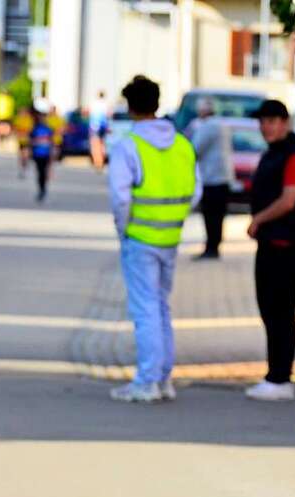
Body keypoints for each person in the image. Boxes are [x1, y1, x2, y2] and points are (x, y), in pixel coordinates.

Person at [107, 75, 200, 403]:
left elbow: (120, 199)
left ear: (130, 107)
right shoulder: (182, 145)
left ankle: (146, 381)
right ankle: (162, 380)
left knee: (145, 309)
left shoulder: (128, 146)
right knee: (161, 307)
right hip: (170, 238)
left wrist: (124, 229)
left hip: (140, 238)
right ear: (157, 104)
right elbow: (196, 190)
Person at [244, 99, 295, 402]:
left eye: (273, 121)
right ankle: (274, 375)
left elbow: (289, 200)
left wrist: (258, 219)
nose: (266, 126)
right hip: (272, 242)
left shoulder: (293, 156)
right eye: (263, 121)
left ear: (285, 123)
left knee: (281, 311)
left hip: (286, 244)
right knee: (270, 308)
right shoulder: (275, 153)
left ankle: (280, 378)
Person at [187, 98, 234, 259]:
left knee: (210, 216)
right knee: (219, 216)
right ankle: (214, 246)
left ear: (203, 111)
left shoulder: (207, 127)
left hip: (212, 178)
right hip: (224, 177)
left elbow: (195, 149)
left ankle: (211, 249)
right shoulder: (223, 124)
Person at [29, 109, 57, 203]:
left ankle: (43, 189)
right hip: (37, 154)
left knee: (44, 172)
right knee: (40, 172)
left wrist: (52, 154)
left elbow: (52, 142)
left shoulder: (48, 129)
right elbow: (31, 141)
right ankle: (41, 189)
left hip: (46, 154)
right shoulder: (35, 128)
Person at [88, 89, 110, 169]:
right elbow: (108, 115)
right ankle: (101, 161)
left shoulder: (94, 104)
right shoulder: (106, 104)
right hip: (103, 126)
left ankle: (97, 162)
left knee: (95, 145)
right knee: (102, 144)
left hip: (95, 126)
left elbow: (88, 113)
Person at [12, 105, 34, 178]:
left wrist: (24, 132)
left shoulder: (29, 120)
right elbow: (15, 129)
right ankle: (22, 169)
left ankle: (24, 167)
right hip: (20, 140)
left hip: (27, 140)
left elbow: (31, 130)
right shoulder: (18, 119)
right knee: (21, 156)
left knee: (25, 155)